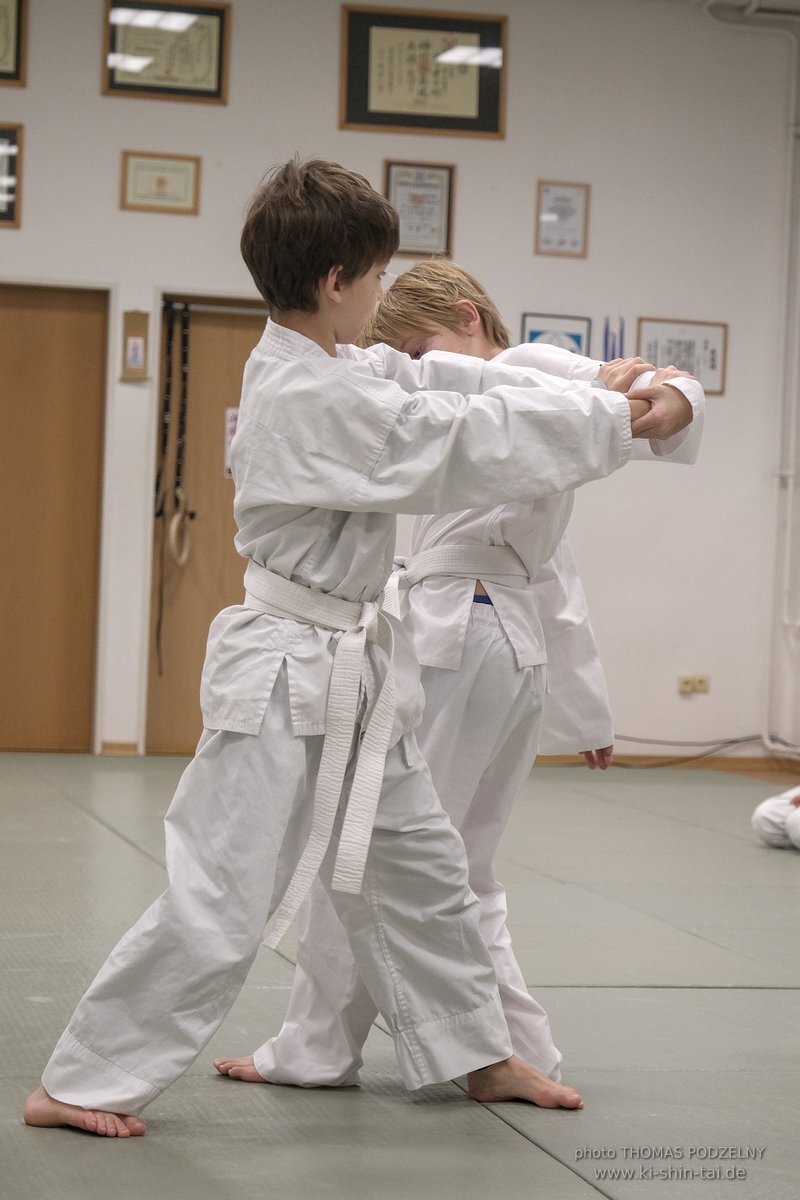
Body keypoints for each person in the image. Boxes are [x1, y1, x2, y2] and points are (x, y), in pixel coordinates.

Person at [24, 159, 696, 1138]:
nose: (384, 296)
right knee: (224, 884)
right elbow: (450, 441)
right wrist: (610, 418)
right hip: (284, 664)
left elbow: (441, 378)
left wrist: (593, 383)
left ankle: (475, 1053)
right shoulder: (309, 397)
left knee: (419, 864)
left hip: (350, 660)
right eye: (378, 275)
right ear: (339, 278)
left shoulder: (334, 362)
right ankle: (82, 1081)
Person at [214, 259, 704, 1094]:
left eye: (418, 345)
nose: (411, 366)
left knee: (367, 851)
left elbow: (645, 394)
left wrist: (674, 392)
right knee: (460, 871)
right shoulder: (514, 389)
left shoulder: (514, 369)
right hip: (506, 642)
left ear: (469, 317)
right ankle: (517, 1053)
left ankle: (317, 1047)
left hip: (457, 632)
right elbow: (559, 579)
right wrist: (586, 712)